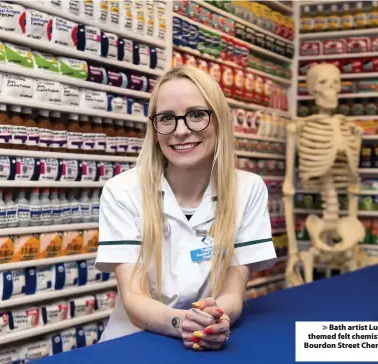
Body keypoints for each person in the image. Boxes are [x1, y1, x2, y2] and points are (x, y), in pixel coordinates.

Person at [95, 65, 277, 351]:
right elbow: (134, 298)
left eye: (195, 115)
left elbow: (232, 292)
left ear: (219, 120)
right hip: (133, 345)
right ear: (155, 130)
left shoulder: (248, 190)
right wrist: (184, 322)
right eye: (167, 118)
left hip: (204, 343)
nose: (180, 131)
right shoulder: (122, 191)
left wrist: (215, 316)